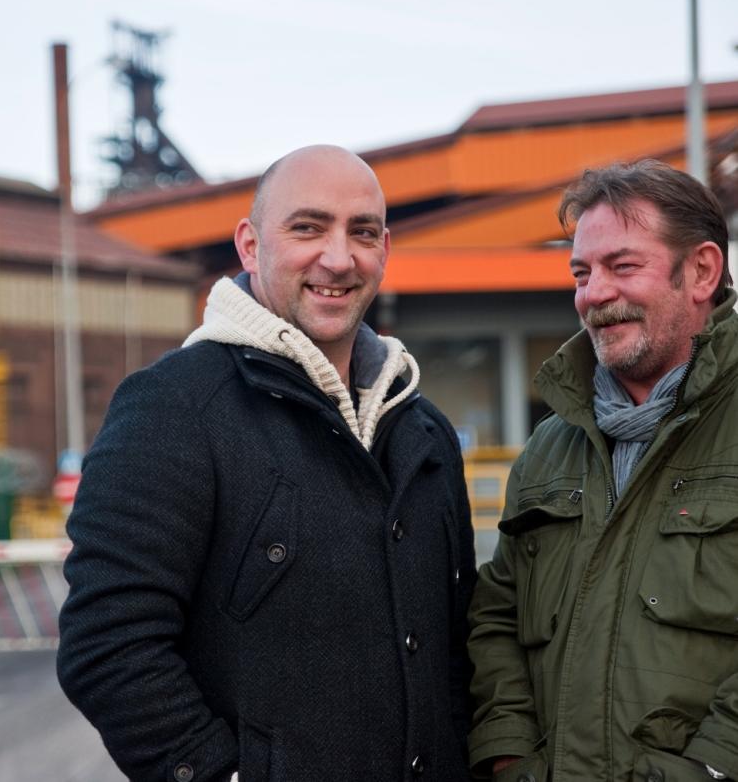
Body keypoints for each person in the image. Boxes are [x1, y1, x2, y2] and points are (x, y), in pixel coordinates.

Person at [58, 144, 476, 782]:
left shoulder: (424, 432)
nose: (339, 257)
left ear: (385, 250)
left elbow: (454, 653)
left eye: (362, 232)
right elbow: (108, 642)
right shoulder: (174, 408)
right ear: (250, 247)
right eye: (308, 228)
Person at [467, 159, 738, 782]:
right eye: (582, 273)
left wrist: (709, 768)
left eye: (622, 266)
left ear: (701, 271)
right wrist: (510, 756)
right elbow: (498, 615)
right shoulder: (549, 445)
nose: (593, 294)